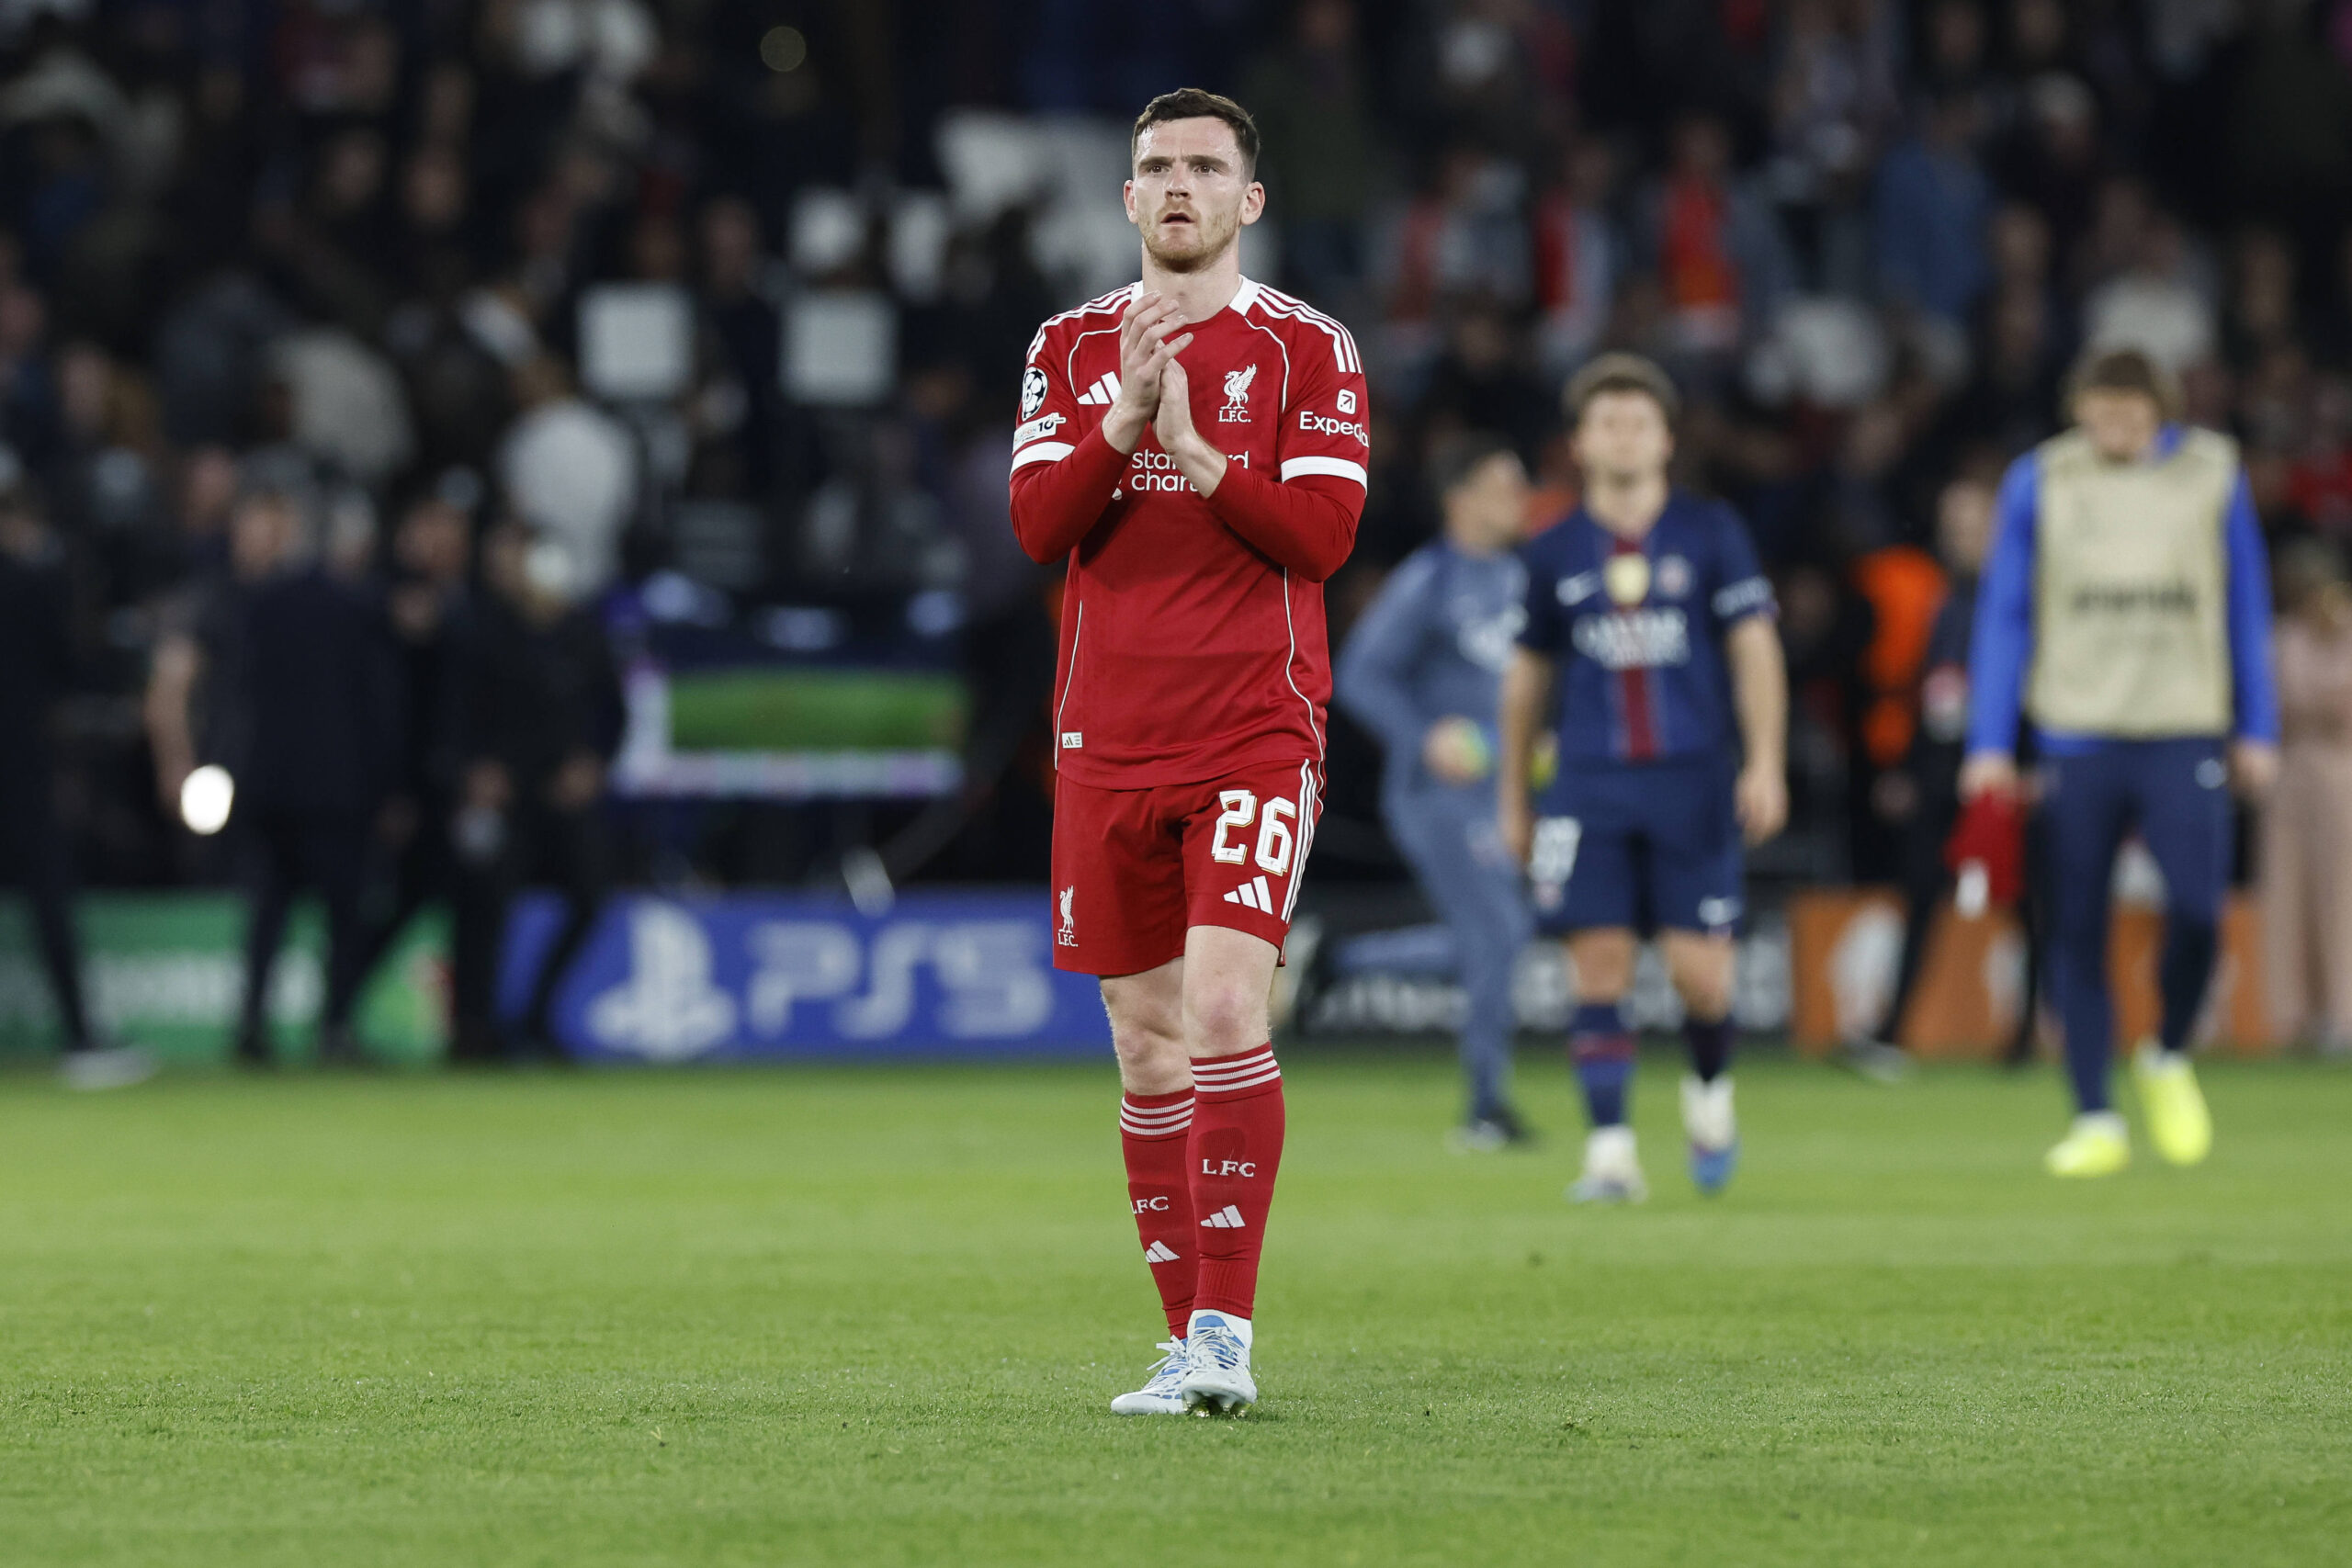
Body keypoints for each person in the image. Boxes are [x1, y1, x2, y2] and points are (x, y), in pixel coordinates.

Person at [1008, 88, 1368, 1417]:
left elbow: (1324, 541)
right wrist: (1120, 423)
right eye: (1155, 164)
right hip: (1106, 734)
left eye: (1205, 167)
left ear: (1247, 202)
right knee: (1145, 1038)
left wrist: (1196, 453)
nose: (1177, 185)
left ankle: (1227, 1329)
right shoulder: (1066, 344)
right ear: (1126, 196)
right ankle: (1179, 1339)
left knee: (1225, 1009)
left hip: (1254, 729)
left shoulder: (1308, 350)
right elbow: (1039, 527)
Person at [1963, 347, 2278, 1177]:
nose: (2114, 431)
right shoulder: (2042, 478)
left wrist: (2259, 726)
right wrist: (1990, 743)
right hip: (2077, 727)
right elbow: (2004, 611)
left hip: (2184, 724)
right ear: (2078, 409)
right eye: (2099, 415)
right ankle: (2094, 1114)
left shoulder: (2214, 472)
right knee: (2075, 926)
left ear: (2160, 412)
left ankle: (2167, 1050)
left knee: (2201, 910)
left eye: (2130, 417)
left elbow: (2246, 602)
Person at [1497, 354, 1789, 1203]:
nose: (1623, 434)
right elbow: (1526, 680)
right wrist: (1513, 794)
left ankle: (1707, 1094)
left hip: (1692, 780)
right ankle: (1612, 1154)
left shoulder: (1710, 533)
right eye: (1606, 421)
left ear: (1665, 439)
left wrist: (1765, 761)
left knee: (1705, 978)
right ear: (1581, 442)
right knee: (1600, 965)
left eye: (1638, 421)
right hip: (1587, 783)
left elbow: (1754, 646)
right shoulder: (1551, 550)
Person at [147, 487, 402, 1066]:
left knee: (276, 910)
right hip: (317, 786)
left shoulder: (254, 605)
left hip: (276, 783)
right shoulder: (340, 603)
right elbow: (378, 702)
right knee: (315, 911)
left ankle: (265, 1026)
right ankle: (326, 1027)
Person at [1336, 434, 1536, 1147]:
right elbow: (1359, 673)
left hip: (1498, 793)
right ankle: (1486, 1107)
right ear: (1462, 498)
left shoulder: (1516, 576)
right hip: (1433, 795)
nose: (1521, 499)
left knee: (1494, 939)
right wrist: (1423, 735)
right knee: (1501, 934)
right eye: (1506, 484)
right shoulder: (1431, 579)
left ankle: (1336, 962)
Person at [443, 519, 622, 1064]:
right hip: (502, 791)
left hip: (562, 791)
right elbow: (452, 712)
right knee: (484, 907)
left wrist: (593, 765)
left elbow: (613, 713)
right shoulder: (480, 626)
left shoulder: (581, 630)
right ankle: (473, 1030)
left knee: (590, 895)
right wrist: (472, 770)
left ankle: (539, 1015)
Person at [0, 469, 153, 1089]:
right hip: (22, 761)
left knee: (50, 894)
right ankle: (80, 1036)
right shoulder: (36, 580)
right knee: (50, 895)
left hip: (22, 760)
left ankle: (83, 1036)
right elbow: (72, 662)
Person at [2258, 540, 2352, 1053]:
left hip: (2343, 779)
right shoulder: (2283, 637)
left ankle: (2343, 1017)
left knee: (2342, 898)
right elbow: (2275, 708)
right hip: (2290, 778)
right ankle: (2293, 1019)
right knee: (2288, 896)